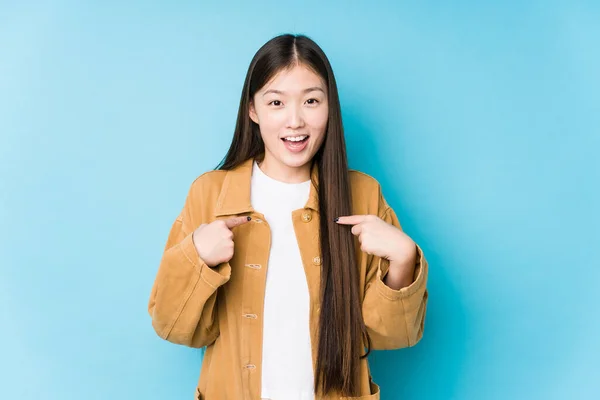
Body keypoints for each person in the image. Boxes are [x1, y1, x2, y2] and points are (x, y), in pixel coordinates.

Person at [147, 33, 429, 400]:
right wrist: (196, 258)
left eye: (311, 101)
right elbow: (174, 327)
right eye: (276, 102)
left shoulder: (362, 195)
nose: (295, 121)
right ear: (253, 110)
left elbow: (393, 336)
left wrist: (403, 262)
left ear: (330, 107)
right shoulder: (209, 194)